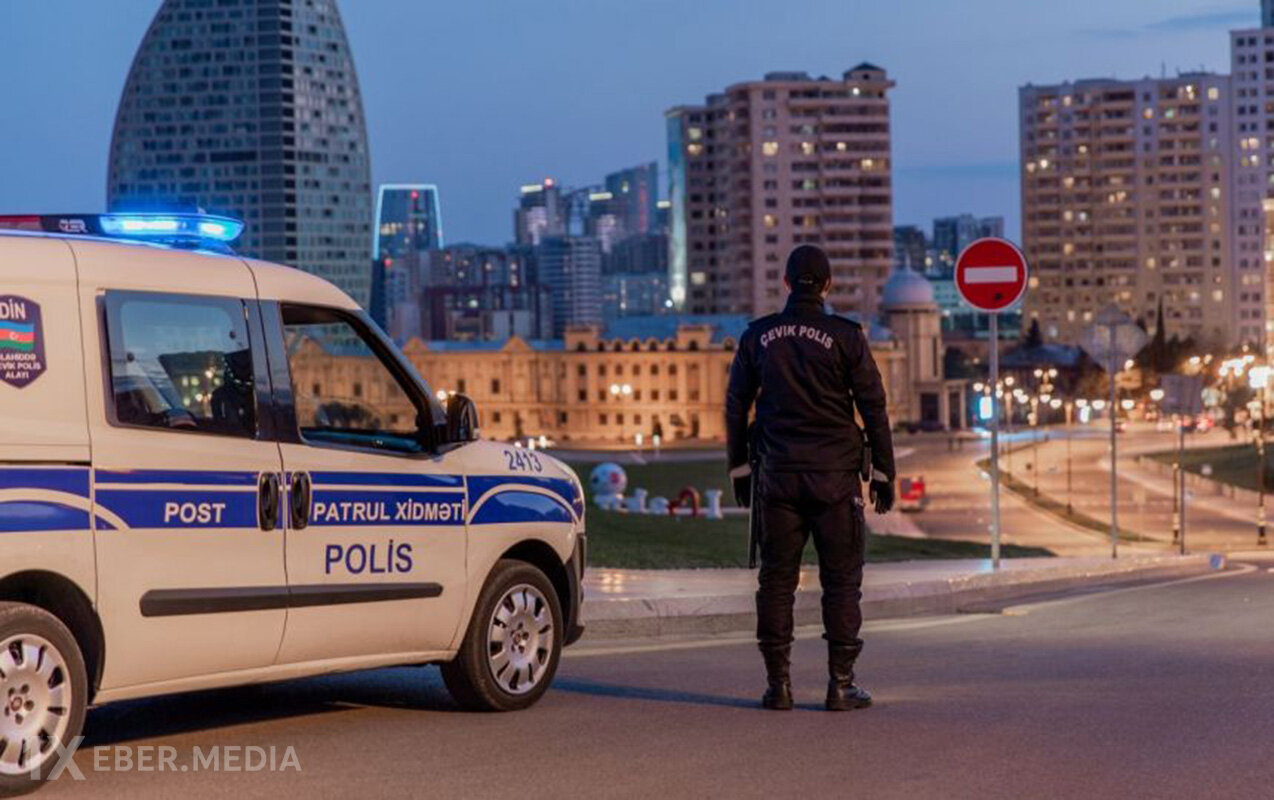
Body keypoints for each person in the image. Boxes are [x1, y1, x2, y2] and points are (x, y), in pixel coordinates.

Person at [725, 244, 896, 711]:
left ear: (785, 284)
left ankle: (777, 685)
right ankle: (841, 685)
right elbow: (873, 406)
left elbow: (737, 404)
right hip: (835, 478)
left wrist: (738, 466)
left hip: (777, 477)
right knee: (841, 583)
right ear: (827, 285)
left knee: (776, 581)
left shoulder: (758, 336)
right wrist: (884, 472)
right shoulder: (846, 336)